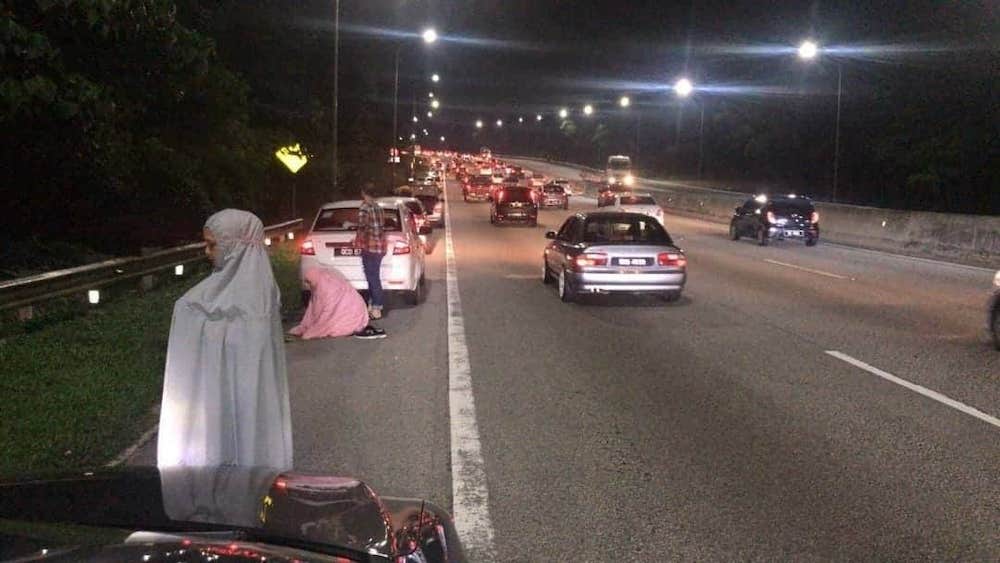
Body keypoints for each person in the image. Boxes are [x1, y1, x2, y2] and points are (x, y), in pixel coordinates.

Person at [157, 209, 293, 468]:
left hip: (226, 404)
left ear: (233, 246)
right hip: (217, 405)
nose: (207, 252)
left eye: (212, 245)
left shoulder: (256, 298)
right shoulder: (258, 294)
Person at [289, 268, 385, 340]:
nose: (308, 284)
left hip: (351, 312)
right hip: (343, 310)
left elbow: (328, 310)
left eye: (309, 281)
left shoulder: (329, 287)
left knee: (336, 326)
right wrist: (308, 324)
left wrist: (317, 328)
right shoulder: (320, 285)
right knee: (314, 328)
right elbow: (313, 307)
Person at [355, 184, 387, 320]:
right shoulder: (379, 208)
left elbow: (362, 226)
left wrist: (356, 238)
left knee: (372, 277)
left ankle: (376, 307)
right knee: (375, 276)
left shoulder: (364, 208)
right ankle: (374, 304)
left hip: (369, 246)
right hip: (380, 246)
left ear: (363, 193)